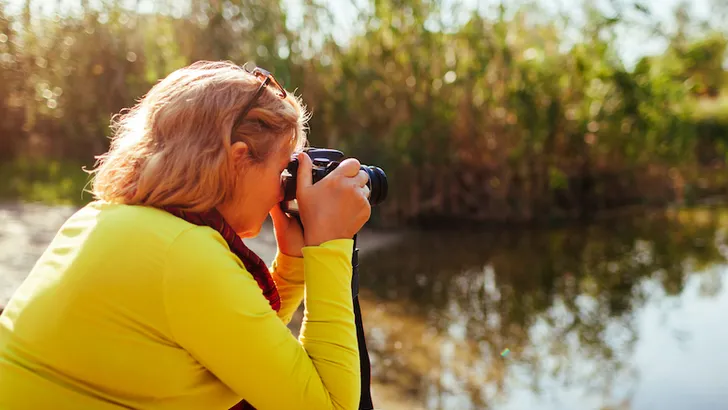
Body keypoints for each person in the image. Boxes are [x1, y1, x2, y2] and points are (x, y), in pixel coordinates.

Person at [0, 60, 372, 409]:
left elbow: (243, 354)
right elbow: (330, 404)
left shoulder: (102, 218)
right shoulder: (186, 256)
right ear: (239, 158)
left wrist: (292, 266)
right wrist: (329, 244)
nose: (283, 190)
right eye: (283, 170)